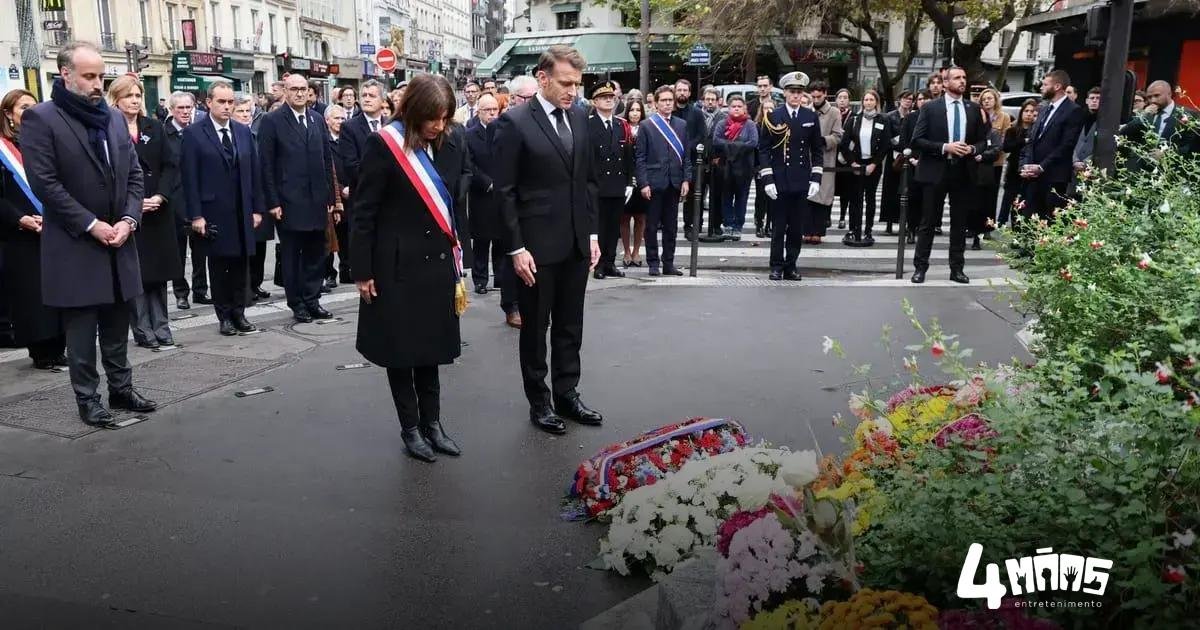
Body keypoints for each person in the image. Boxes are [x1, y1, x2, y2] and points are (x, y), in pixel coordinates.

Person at [22, 41, 157, 426]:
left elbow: (133, 174)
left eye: (101, 76)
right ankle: (87, 400)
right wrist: (91, 224)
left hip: (119, 240)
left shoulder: (112, 118)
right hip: (76, 243)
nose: (98, 84)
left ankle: (122, 389)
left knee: (117, 324)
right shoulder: (42, 118)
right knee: (81, 332)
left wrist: (129, 221)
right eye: (89, 76)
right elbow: (45, 184)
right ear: (66, 75)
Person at [349, 74, 466, 463]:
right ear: (414, 111)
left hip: (435, 265)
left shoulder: (448, 142)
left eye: (445, 117)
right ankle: (411, 429)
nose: (439, 125)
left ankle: (434, 425)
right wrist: (362, 271)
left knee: (431, 351)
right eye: (433, 117)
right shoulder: (383, 145)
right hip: (395, 268)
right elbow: (363, 213)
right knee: (401, 353)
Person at [492, 45, 603, 436]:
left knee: (571, 324)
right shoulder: (515, 122)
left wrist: (590, 233)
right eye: (565, 82)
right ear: (543, 78)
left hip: (574, 243)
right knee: (536, 326)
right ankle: (539, 402)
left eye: (577, 83)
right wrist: (516, 248)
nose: (573, 90)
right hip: (535, 248)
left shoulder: (581, 117)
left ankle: (567, 394)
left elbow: (586, 181)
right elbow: (503, 191)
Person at [181, 81, 264, 336]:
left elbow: (255, 172)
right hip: (214, 210)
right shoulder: (195, 134)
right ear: (208, 103)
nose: (227, 107)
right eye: (222, 102)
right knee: (219, 267)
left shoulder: (242, 131)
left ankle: (240, 312)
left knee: (241, 265)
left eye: (231, 102)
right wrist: (196, 215)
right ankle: (224, 315)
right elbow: (189, 178)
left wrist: (257, 208)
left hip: (242, 208)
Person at [109, 75, 180, 349]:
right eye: (129, 96)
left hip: (158, 210)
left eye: (138, 95)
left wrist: (161, 195)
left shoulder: (153, 127)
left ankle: (162, 326)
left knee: (159, 273)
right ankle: (142, 330)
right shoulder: (109, 129)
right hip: (128, 212)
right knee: (135, 273)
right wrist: (134, 204)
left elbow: (170, 164)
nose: (135, 100)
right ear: (116, 100)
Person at [259, 73, 336, 323]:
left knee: (316, 254)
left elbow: (326, 160)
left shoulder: (316, 119)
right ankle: (298, 303)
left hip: (316, 201)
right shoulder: (272, 121)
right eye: (294, 89)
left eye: (303, 89)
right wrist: (273, 202)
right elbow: (266, 165)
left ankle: (313, 299)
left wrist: (330, 196)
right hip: (288, 202)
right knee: (293, 256)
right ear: (285, 91)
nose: (300, 93)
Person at [0, 89, 66, 370]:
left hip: (51, 227)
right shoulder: (3, 149)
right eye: (24, 107)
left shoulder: (40, 143)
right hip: (18, 232)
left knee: (57, 288)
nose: (31, 112)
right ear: (8, 114)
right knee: (31, 294)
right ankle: (41, 350)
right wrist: (19, 219)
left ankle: (59, 345)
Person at [909, 66, 989, 285]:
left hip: (962, 172)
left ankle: (957, 269)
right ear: (945, 83)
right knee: (928, 222)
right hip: (935, 170)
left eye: (964, 77)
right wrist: (945, 147)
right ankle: (920, 268)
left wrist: (973, 150)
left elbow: (983, 141)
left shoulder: (973, 108)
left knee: (959, 223)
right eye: (957, 78)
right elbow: (917, 140)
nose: (962, 81)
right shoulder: (931, 108)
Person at [757, 71, 824, 281]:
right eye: (792, 92)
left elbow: (817, 151)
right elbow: (764, 150)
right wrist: (767, 179)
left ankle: (791, 265)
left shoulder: (810, 117)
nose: (796, 96)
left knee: (796, 228)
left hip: (801, 180)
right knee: (778, 227)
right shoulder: (773, 116)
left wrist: (816, 178)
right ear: (784, 93)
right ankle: (776, 265)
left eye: (799, 92)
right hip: (778, 179)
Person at [465, 93, 518, 328]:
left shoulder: (502, 131)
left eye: (495, 110)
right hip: (481, 194)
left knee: (500, 238)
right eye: (487, 110)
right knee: (482, 239)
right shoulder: (470, 134)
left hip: (501, 192)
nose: (492, 114)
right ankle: (480, 279)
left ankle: (498, 276)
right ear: (479, 112)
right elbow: (470, 164)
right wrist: (487, 181)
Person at [636, 85, 693, 277]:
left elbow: (686, 156)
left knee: (671, 226)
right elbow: (640, 157)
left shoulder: (681, 125)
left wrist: (686, 179)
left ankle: (668, 262)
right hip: (653, 182)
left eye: (670, 100)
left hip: (674, 183)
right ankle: (653, 262)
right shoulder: (647, 125)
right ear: (656, 103)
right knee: (651, 226)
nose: (668, 103)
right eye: (664, 100)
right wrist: (643, 183)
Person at [1019, 69, 1085, 222]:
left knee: (1049, 222)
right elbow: (1032, 139)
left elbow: (1066, 145)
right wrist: (1026, 166)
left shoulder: (1073, 111)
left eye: (1045, 84)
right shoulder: (1043, 108)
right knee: (1030, 221)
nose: (1041, 88)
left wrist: (1041, 167)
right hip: (1033, 177)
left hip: (1054, 177)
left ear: (1057, 86)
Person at [162, 92, 204, 310]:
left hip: (197, 196)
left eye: (189, 108)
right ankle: (181, 293)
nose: (186, 112)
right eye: (181, 108)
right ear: (171, 110)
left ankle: (200, 289)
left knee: (200, 248)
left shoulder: (198, 131)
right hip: (175, 200)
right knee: (178, 250)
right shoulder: (163, 133)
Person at [587, 82, 634, 279]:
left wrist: (630, 182)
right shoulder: (588, 124)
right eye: (604, 97)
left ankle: (610, 262)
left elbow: (628, 154)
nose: (609, 100)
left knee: (613, 226)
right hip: (597, 184)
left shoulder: (620, 124)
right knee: (599, 227)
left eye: (611, 97)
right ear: (595, 101)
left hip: (617, 184)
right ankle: (598, 265)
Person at [838, 89, 891, 247]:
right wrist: (852, 163)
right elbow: (845, 143)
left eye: (871, 100)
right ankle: (854, 228)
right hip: (857, 164)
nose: (868, 103)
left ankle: (868, 230)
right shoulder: (854, 119)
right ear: (862, 102)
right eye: (866, 100)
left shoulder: (883, 120)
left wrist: (874, 164)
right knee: (855, 198)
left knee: (870, 198)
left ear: (876, 102)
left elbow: (885, 145)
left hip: (873, 165)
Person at [232, 93, 273, 300]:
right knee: (245, 247)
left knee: (260, 244)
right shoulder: (232, 135)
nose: (245, 115)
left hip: (260, 197)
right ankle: (245, 287)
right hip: (240, 198)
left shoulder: (257, 134)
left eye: (248, 111)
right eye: (240, 111)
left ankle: (256, 283)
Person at [712, 95, 758, 241]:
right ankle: (728, 224)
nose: (736, 108)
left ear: (744, 108)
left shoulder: (750, 124)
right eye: (733, 106)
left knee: (741, 197)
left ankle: (738, 226)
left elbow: (753, 143)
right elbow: (716, 140)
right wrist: (737, 146)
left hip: (744, 167)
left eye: (739, 106)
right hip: (726, 167)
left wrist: (730, 146)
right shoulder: (722, 123)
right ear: (729, 108)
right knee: (726, 196)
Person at [970, 88, 1011, 249]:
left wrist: (989, 154)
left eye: (990, 98)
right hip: (977, 162)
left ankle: (988, 226)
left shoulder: (1003, 117)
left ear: (995, 100)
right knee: (975, 196)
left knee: (990, 197)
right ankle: (972, 226)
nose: (987, 101)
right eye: (984, 99)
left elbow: (1003, 141)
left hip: (995, 162)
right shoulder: (977, 116)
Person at [803, 83, 843, 245]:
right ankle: (806, 230)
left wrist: (824, 141)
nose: (816, 99)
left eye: (819, 96)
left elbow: (838, 136)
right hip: (807, 160)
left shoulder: (834, 112)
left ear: (825, 94)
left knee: (823, 196)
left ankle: (818, 231)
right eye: (813, 96)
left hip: (826, 159)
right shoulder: (806, 110)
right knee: (807, 196)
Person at [1120, 80, 1200, 159]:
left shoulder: (1187, 114)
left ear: (1169, 94)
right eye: (1149, 97)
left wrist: (1167, 155)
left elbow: (1190, 146)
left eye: (1157, 96)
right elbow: (1123, 133)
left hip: (1171, 167)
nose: (1153, 100)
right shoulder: (1146, 113)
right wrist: (1143, 116)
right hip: (1143, 166)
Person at [673, 79, 707, 240]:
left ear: (689, 92)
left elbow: (702, 135)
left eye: (685, 90)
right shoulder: (669, 111)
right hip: (671, 161)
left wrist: (686, 147)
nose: (682, 93)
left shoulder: (696, 113)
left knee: (693, 197)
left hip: (692, 161)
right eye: (679, 90)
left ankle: (691, 226)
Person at [324, 104, 353, 293]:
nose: (340, 122)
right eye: (336, 118)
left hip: (351, 194)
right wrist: (340, 191)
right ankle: (329, 274)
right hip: (334, 195)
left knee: (347, 235)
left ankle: (346, 270)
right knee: (329, 238)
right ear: (327, 120)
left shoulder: (347, 139)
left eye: (342, 118)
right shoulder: (323, 141)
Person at [999, 99, 1038, 229]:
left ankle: (1019, 230)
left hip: (1030, 170)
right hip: (1014, 169)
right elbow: (1006, 147)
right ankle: (1002, 222)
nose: (1029, 114)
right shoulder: (1013, 130)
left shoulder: (1037, 130)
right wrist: (1023, 141)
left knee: (1023, 202)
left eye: (1032, 111)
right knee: (1010, 198)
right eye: (1026, 111)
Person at [879, 90, 914, 235]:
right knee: (890, 190)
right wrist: (898, 142)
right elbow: (886, 137)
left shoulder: (913, 117)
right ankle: (888, 221)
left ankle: (904, 222)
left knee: (905, 190)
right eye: (905, 98)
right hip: (893, 157)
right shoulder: (889, 116)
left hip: (908, 157)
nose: (908, 101)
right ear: (899, 100)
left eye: (911, 99)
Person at [899, 90, 931, 245]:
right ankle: (910, 229)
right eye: (920, 99)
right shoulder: (910, 118)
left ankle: (923, 230)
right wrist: (911, 158)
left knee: (928, 199)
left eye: (926, 98)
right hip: (912, 163)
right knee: (912, 198)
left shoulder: (937, 118)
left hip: (930, 162)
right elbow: (904, 141)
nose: (923, 101)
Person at [697, 87, 728, 242]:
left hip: (717, 162)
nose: (710, 102)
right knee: (698, 194)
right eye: (707, 99)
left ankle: (716, 224)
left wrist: (720, 156)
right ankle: (697, 224)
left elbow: (727, 139)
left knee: (717, 195)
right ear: (703, 100)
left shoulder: (724, 117)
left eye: (713, 99)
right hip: (700, 161)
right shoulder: (697, 116)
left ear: (718, 101)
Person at [619, 99, 647, 267]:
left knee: (640, 218)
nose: (635, 113)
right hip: (625, 178)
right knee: (624, 218)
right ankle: (627, 252)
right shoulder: (622, 128)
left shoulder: (647, 128)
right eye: (632, 110)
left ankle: (636, 252)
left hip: (642, 178)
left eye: (638, 110)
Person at [753, 97, 777, 239]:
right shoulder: (757, 125)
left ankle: (770, 224)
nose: (768, 110)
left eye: (771, 108)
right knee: (761, 196)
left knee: (773, 198)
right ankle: (759, 223)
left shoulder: (779, 124)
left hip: (775, 166)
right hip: (761, 166)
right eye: (765, 108)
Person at [833, 88, 853, 230]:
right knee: (829, 188)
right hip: (832, 155)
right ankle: (826, 217)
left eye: (845, 97)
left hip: (846, 157)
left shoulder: (854, 116)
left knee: (846, 190)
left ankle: (842, 217)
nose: (842, 100)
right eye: (840, 97)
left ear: (849, 100)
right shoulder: (832, 114)